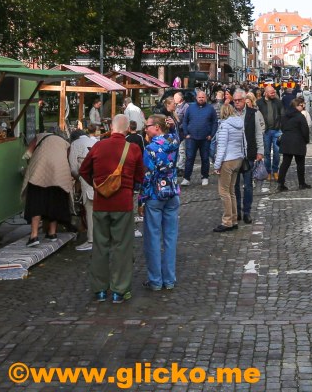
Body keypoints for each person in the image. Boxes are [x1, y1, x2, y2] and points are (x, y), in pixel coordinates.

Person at [79, 115, 144, 303]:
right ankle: (119, 290)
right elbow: (140, 175)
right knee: (122, 247)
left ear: (111, 127)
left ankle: (100, 289)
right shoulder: (132, 149)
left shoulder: (98, 146)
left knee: (100, 246)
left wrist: (97, 184)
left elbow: (83, 170)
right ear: (126, 129)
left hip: (101, 204)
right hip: (123, 204)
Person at [137, 114, 180, 291]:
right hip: (172, 192)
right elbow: (176, 135)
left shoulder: (150, 148)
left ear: (156, 127)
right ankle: (169, 279)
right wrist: (173, 126)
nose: (145, 129)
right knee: (170, 238)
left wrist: (141, 200)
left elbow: (146, 176)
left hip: (155, 195)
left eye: (147, 125)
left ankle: (155, 280)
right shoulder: (174, 142)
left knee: (153, 239)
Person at [22, 131, 74, 246]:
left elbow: (27, 154)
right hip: (59, 175)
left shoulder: (39, 137)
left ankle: (34, 236)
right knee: (54, 201)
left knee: (36, 201)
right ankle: (52, 233)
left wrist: (30, 163)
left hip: (39, 173)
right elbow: (68, 160)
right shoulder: (65, 143)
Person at [212, 102, 244, 232]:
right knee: (231, 191)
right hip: (238, 158)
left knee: (224, 191)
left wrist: (217, 164)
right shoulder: (239, 123)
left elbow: (222, 147)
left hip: (228, 160)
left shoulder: (225, 126)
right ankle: (234, 219)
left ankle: (227, 221)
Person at [233, 89, 264, 224]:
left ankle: (247, 211)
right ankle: (237, 211)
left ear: (245, 100)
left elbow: (258, 133)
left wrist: (260, 151)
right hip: (233, 154)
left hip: (249, 154)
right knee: (234, 186)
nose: (237, 103)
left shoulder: (253, 113)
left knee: (248, 185)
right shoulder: (230, 113)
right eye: (235, 101)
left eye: (239, 100)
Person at [69, 125, 100, 251]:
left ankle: (91, 239)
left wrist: (78, 178)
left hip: (87, 179)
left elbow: (73, 167)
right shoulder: (95, 141)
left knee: (90, 209)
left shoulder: (75, 144)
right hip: (101, 179)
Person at [181, 90, 218, 186]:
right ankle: (186, 178)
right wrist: (186, 134)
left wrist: (212, 134)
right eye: (199, 97)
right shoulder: (190, 108)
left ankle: (205, 177)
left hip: (205, 138)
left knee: (205, 158)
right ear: (196, 98)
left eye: (203, 97)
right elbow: (185, 121)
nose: (201, 99)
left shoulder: (210, 109)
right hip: (191, 138)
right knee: (189, 158)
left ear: (206, 98)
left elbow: (215, 122)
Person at [278, 97, 311, 191]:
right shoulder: (300, 116)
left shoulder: (285, 115)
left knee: (285, 163)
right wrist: (306, 140)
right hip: (298, 141)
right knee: (300, 164)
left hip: (287, 140)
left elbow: (282, 127)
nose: (303, 106)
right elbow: (305, 130)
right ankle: (301, 183)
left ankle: (280, 183)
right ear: (297, 106)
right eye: (302, 105)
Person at [256, 85, 284, 181]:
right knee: (266, 153)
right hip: (266, 131)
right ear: (266, 93)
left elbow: (282, 114)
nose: (274, 93)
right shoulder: (259, 102)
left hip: (277, 130)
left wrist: (282, 127)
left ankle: (275, 170)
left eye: (274, 92)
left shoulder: (278, 102)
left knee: (277, 152)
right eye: (271, 92)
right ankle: (268, 171)